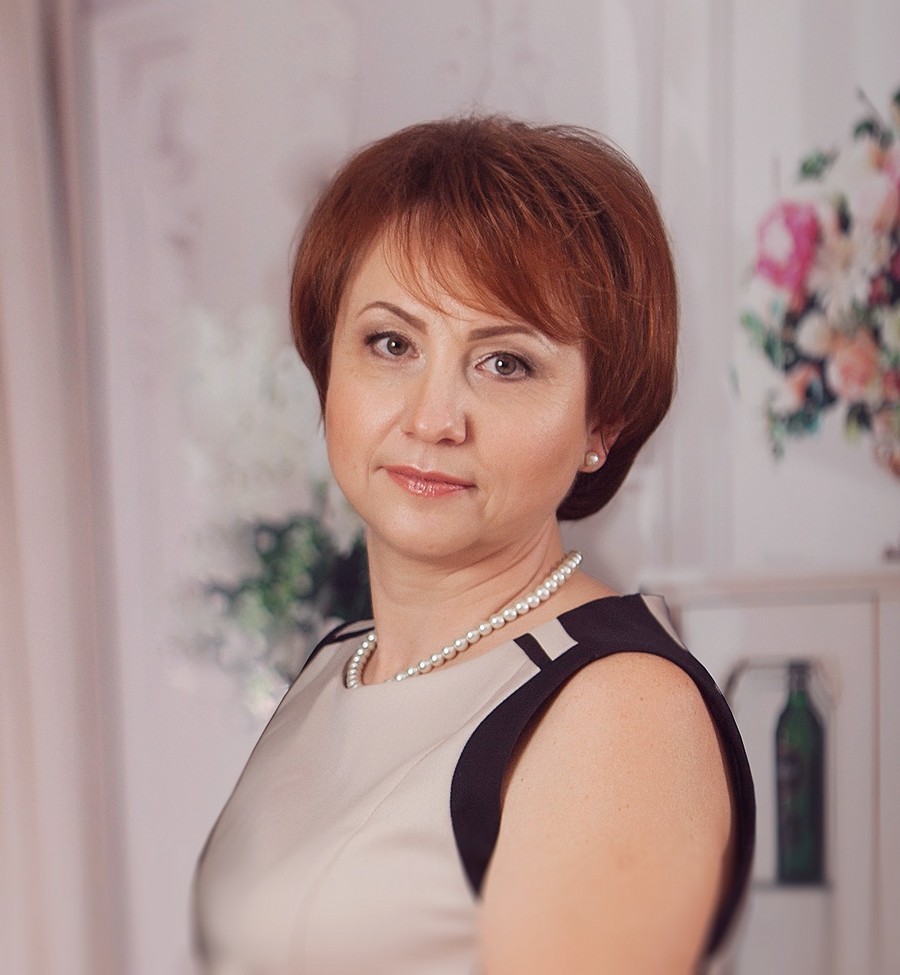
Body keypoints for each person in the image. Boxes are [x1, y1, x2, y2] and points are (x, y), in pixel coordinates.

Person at [193, 116, 755, 974]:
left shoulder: (619, 714)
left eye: (505, 363)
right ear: (328, 365)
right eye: (392, 343)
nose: (432, 419)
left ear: (601, 423)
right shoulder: (336, 666)